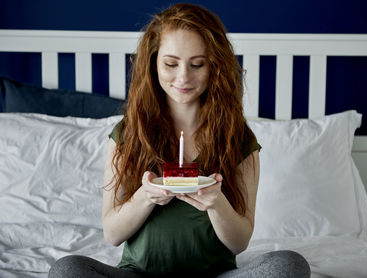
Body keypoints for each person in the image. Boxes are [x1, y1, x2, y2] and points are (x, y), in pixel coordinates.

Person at [48, 3, 310, 278]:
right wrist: (145, 197)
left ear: (214, 67)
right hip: (139, 274)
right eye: (171, 64)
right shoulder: (129, 134)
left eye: (197, 64)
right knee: (67, 270)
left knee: (289, 264)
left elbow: (239, 242)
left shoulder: (238, 138)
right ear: (153, 63)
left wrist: (215, 202)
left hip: (216, 275)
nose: (183, 77)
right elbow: (113, 234)